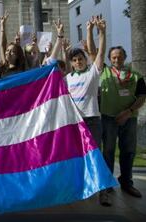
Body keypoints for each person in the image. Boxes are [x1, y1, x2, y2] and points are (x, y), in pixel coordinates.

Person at [64, 16, 107, 205]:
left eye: (81, 59)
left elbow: (99, 54)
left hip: (93, 120)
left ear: (84, 61)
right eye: (75, 60)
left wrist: (101, 33)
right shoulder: (66, 79)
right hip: (76, 123)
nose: (78, 62)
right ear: (71, 63)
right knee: (77, 156)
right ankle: (80, 187)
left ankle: (103, 190)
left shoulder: (92, 74)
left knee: (96, 155)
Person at [100, 46, 146, 204]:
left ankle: (127, 182)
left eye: (119, 57)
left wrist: (128, 112)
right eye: (113, 57)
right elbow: (94, 54)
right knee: (108, 151)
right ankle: (107, 184)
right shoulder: (103, 72)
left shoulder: (136, 76)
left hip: (129, 118)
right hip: (108, 118)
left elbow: (142, 97)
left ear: (124, 57)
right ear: (109, 59)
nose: (116, 60)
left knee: (129, 151)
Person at [0, 11, 25, 79]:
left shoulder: (22, 70)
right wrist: (2, 25)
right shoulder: (4, 67)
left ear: (17, 56)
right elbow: (2, 45)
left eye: (12, 51)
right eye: (7, 50)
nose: (8, 53)